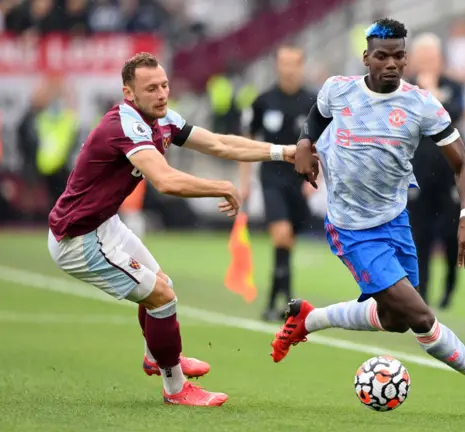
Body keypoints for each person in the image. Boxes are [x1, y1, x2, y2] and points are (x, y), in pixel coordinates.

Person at [269, 19, 465, 415]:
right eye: (382, 56)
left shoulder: (422, 105)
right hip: (352, 229)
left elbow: (464, 167)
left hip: (395, 221)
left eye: (398, 56)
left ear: (406, 58)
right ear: (366, 57)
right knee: (421, 315)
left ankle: (309, 318)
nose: (391, 63)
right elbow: (317, 115)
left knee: (395, 320)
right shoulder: (338, 90)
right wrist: (305, 142)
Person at [47, 52, 296, 407]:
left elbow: (219, 143)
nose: (162, 93)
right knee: (162, 297)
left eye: (164, 85)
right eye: (151, 88)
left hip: (103, 225)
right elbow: (164, 180)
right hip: (79, 239)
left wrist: (283, 152)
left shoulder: (162, 119)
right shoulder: (126, 124)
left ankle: (157, 356)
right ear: (129, 94)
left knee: (162, 285)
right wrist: (221, 186)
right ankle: (176, 388)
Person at [239, 44, 317, 322]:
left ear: (301, 64)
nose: (288, 68)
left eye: (293, 63)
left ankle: (278, 301)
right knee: (281, 235)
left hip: (300, 180)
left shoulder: (313, 101)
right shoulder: (263, 100)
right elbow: (246, 142)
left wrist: (315, 176)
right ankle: (283, 303)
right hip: (272, 177)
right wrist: (244, 181)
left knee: (287, 242)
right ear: (277, 65)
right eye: (283, 62)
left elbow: (325, 142)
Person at [407, 33, 465, 309]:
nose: (428, 62)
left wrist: (432, 91)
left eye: (432, 56)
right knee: (420, 236)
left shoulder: (454, 86)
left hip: (448, 173)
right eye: (423, 57)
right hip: (418, 173)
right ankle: (423, 295)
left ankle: (450, 285)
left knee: (450, 234)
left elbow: (452, 115)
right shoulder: (405, 89)